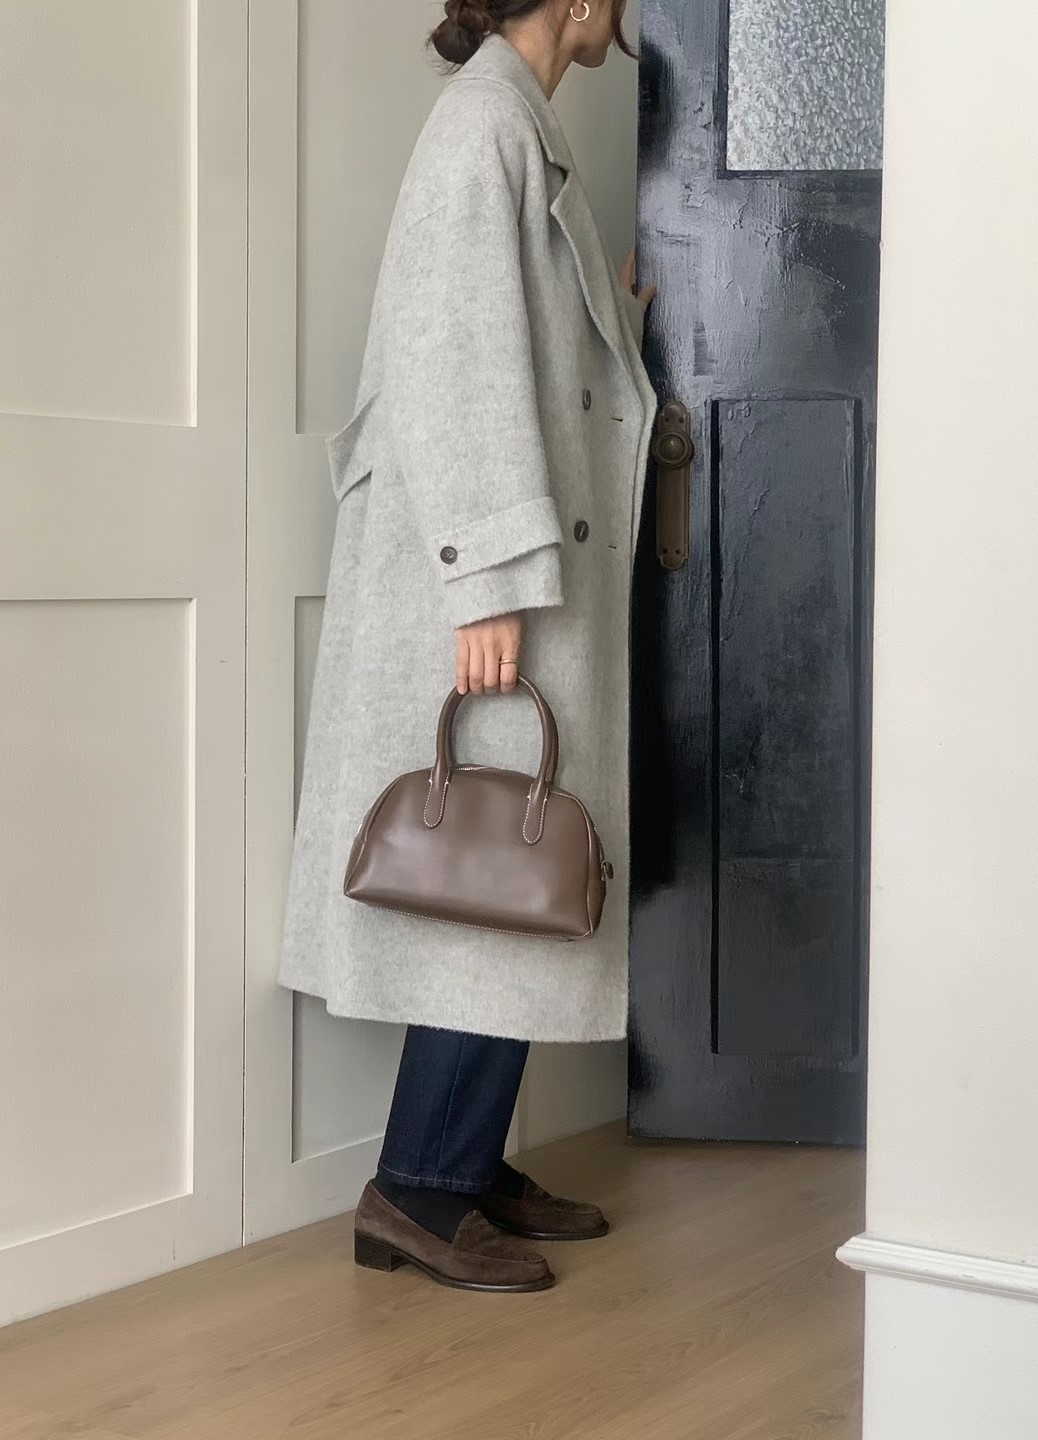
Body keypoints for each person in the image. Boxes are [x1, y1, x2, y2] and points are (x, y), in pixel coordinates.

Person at [279, 0, 658, 1293]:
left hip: (510, 568)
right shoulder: (483, 127)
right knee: (494, 867)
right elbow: (455, 361)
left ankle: (461, 1157)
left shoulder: (513, 122)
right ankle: (419, 1189)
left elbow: (518, 348)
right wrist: (486, 578)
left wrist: (609, 329)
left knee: (513, 866)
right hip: (490, 578)